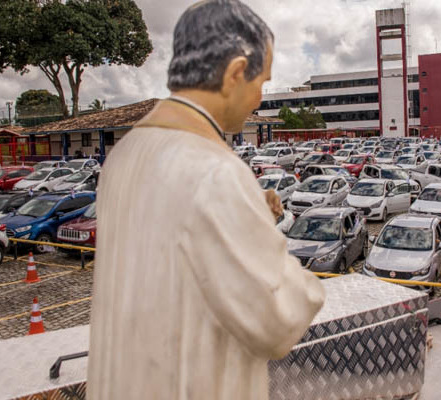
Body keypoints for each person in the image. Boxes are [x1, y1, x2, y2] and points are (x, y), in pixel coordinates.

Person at [87, 1, 325, 399]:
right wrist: (307, 280)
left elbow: (175, 242)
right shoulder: (213, 171)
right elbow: (277, 318)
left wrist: (249, 209)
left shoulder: (124, 154)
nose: (258, 100)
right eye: (261, 83)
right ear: (234, 73)